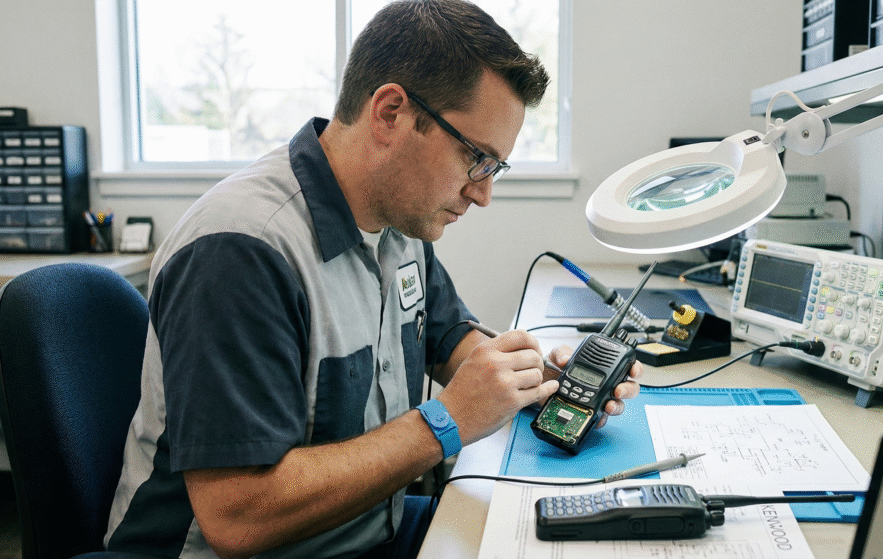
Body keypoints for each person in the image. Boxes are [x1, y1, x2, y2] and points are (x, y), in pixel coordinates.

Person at [105, 1, 642, 558]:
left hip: (362, 532)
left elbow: (448, 337)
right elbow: (239, 516)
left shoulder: (399, 222)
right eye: (477, 159)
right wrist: (450, 421)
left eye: (495, 168)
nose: (483, 193)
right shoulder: (241, 253)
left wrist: (533, 383)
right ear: (390, 113)